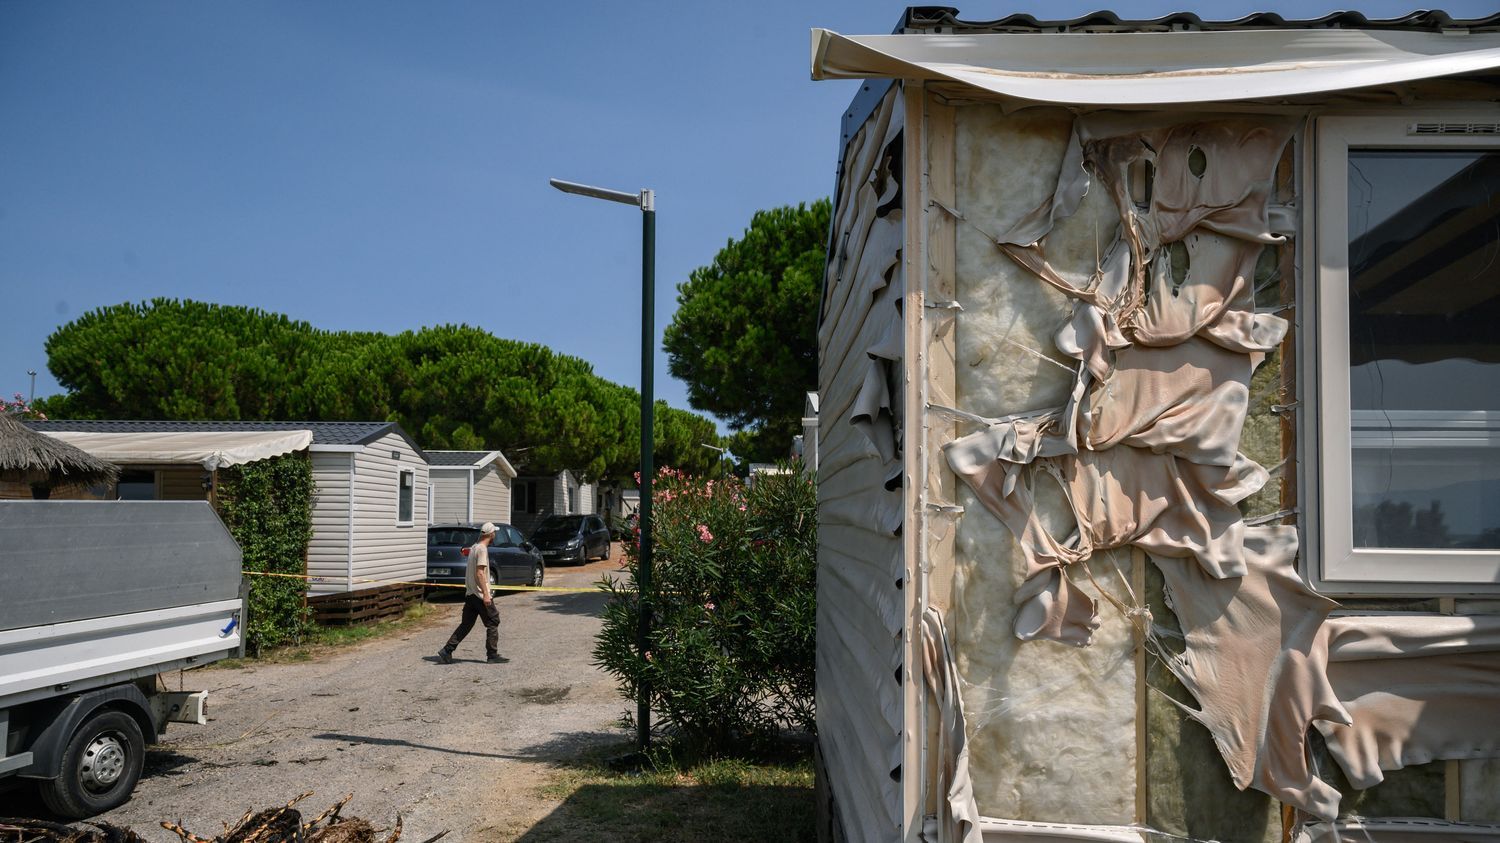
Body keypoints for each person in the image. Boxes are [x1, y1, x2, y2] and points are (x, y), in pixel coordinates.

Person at [437, 522, 506, 664]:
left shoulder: (474, 547)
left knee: (466, 624)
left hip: (470, 594)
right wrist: (486, 594)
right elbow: (480, 573)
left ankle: (447, 650)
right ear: (490, 534)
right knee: (493, 620)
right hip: (480, 594)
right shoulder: (481, 550)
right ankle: (492, 655)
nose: (495, 535)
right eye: (495, 532)